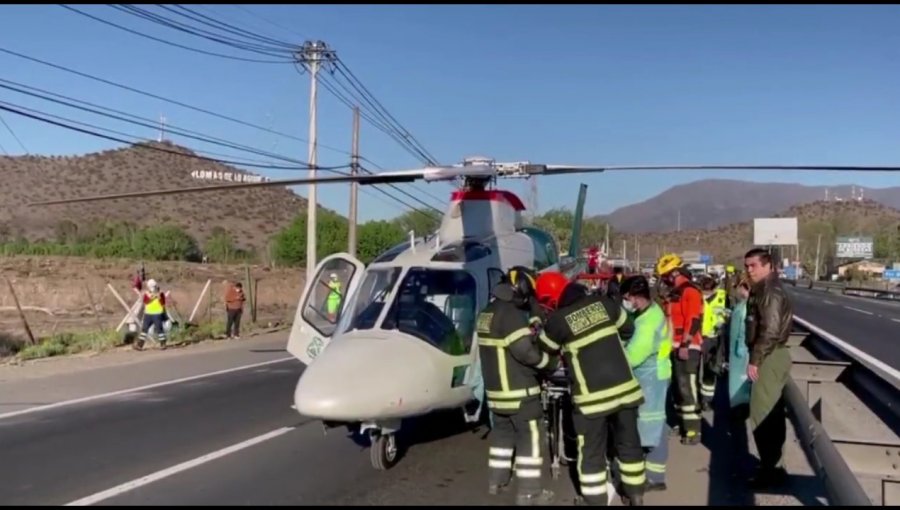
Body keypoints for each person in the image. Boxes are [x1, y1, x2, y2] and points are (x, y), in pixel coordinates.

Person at [535, 271, 645, 506]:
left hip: (591, 399)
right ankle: (635, 495)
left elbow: (543, 347)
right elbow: (629, 328)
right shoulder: (604, 303)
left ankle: (594, 500)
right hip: (625, 390)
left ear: (551, 299)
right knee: (629, 443)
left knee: (591, 451)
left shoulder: (557, 321)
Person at [477, 267, 556, 506]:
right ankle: (530, 493)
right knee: (531, 438)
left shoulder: (487, 312)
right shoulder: (509, 313)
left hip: (496, 393)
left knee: (502, 436)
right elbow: (525, 352)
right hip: (520, 392)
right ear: (521, 289)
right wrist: (548, 363)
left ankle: (497, 481)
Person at [743, 248, 793, 488]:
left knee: (763, 415)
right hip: (770, 355)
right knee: (769, 415)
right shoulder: (763, 289)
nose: (749, 270)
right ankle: (772, 466)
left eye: (754, 265)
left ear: (768, 265)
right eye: (747, 266)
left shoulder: (770, 292)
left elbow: (771, 331)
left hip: (769, 356)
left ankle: (770, 471)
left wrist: (756, 359)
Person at [620, 275, 672, 493]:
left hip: (652, 377)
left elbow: (632, 356)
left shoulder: (648, 323)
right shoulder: (648, 313)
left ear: (634, 298)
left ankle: (654, 477)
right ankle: (653, 473)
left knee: (653, 424)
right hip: (654, 374)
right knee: (655, 422)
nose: (625, 302)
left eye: (626, 298)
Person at [655, 253, 703, 445]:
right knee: (677, 388)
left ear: (675, 273)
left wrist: (685, 344)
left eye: (666, 276)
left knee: (687, 388)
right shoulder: (674, 293)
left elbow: (694, 320)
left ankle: (693, 430)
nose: (664, 281)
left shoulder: (690, 292)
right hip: (673, 346)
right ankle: (681, 425)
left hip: (688, 347)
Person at [727, 278, 753, 475]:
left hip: (741, 354)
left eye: (740, 287)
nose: (737, 291)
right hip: (737, 354)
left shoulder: (747, 308)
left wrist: (740, 350)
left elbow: (743, 332)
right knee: (736, 385)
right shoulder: (742, 306)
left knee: (740, 387)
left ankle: (739, 410)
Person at [698, 275, 728, 411]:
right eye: (704, 291)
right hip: (698, 337)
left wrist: (723, 322)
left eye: (709, 291)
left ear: (715, 288)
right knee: (693, 370)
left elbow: (729, 312)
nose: (706, 294)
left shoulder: (722, 297)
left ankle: (707, 400)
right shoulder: (697, 298)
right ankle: (695, 398)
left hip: (714, 338)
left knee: (710, 370)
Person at [137, 278, 167, 351]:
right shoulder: (147, 294)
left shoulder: (161, 293)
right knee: (144, 329)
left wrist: (159, 297)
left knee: (159, 329)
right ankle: (139, 345)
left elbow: (163, 302)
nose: (152, 288)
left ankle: (163, 344)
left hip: (157, 314)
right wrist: (151, 297)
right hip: (148, 314)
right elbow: (145, 301)